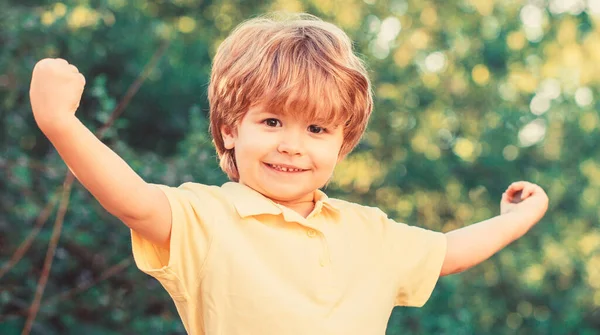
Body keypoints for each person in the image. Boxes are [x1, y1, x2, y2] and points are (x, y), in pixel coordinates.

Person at [29, 12, 548, 335]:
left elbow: (449, 252)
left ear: (343, 144)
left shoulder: (368, 231)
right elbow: (132, 201)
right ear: (232, 128)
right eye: (272, 121)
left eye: (317, 129)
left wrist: (519, 218)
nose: (292, 145)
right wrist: (60, 123)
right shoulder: (206, 218)